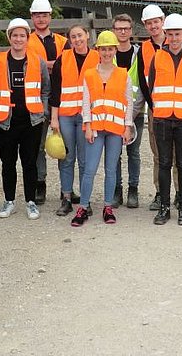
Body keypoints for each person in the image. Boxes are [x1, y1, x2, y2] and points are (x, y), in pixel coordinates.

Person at [0, 18, 50, 221]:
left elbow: (45, 89)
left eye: (22, 35)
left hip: (31, 121)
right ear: (9, 37)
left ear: (27, 38)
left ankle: (31, 202)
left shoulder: (37, 61)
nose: (18, 39)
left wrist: (43, 111)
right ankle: (9, 200)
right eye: (15, 35)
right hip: (6, 122)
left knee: (30, 162)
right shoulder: (0, 62)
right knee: (8, 163)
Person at [71, 31, 134, 226]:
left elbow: (128, 103)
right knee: (89, 170)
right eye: (103, 49)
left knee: (111, 170)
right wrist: (87, 126)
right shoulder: (89, 74)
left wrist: (127, 127)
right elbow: (86, 102)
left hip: (115, 129)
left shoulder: (123, 74)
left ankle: (108, 207)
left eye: (110, 49)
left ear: (115, 50)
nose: (107, 53)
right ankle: (82, 207)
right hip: (96, 128)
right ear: (97, 50)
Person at [147, 13, 182, 226]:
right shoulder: (158, 57)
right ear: (165, 35)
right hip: (162, 118)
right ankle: (164, 206)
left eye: (177, 34)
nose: (173, 38)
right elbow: (152, 85)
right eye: (169, 34)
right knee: (163, 163)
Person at [49, 24, 98, 217]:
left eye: (80, 35)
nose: (77, 40)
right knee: (67, 158)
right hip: (67, 116)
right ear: (70, 41)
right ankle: (67, 198)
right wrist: (54, 119)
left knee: (85, 160)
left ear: (87, 35)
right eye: (73, 37)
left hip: (87, 116)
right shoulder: (64, 59)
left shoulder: (97, 58)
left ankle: (85, 201)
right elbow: (56, 91)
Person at [27, 0, 68, 205]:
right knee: (38, 145)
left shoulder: (61, 41)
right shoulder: (27, 41)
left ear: (50, 16)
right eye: (37, 15)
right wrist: (51, 64)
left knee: (63, 144)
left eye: (44, 15)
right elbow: (32, 66)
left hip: (62, 98)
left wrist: (46, 64)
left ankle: (66, 188)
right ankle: (40, 184)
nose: (41, 18)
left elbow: (65, 64)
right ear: (32, 17)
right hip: (37, 99)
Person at [136, 4, 177, 210]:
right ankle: (161, 192)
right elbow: (143, 80)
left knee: (178, 154)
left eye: (156, 22)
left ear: (163, 21)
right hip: (155, 109)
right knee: (159, 154)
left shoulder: (176, 42)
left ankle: (179, 193)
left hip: (177, 108)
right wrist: (152, 105)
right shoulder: (143, 49)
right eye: (149, 23)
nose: (153, 26)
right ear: (145, 25)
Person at [112, 14, 144, 208]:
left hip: (135, 115)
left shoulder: (139, 54)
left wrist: (130, 117)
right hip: (113, 114)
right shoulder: (108, 53)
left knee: (134, 152)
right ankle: (117, 190)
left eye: (126, 28)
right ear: (114, 30)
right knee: (115, 154)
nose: (122, 32)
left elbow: (142, 86)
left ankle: (133, 189)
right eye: (119, 28)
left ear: (131, 31)